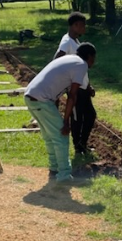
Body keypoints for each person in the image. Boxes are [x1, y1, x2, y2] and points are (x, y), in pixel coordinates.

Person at [24, 43, 97, 183]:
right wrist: (65, 121)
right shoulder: (82, 65)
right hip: (42, 99)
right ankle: (63, 176)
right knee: (61, 136)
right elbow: (72, 96)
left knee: (50, 137)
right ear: (90, 57)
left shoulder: (70, 59)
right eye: (94, 58)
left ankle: (54, 170)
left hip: (30, 96)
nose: (94, 61)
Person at [53, 12, 96, 155]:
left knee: (90, 115)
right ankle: (78, 147)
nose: (84, 28)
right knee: (77, 118)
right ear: (75, 25)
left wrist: (88, 85)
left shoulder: (76, 43)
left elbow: (83, 68)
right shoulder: (67, 41)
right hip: (75, 88)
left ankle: (83, 144)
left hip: (83, 87)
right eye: (82, 25)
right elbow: (57, 58)